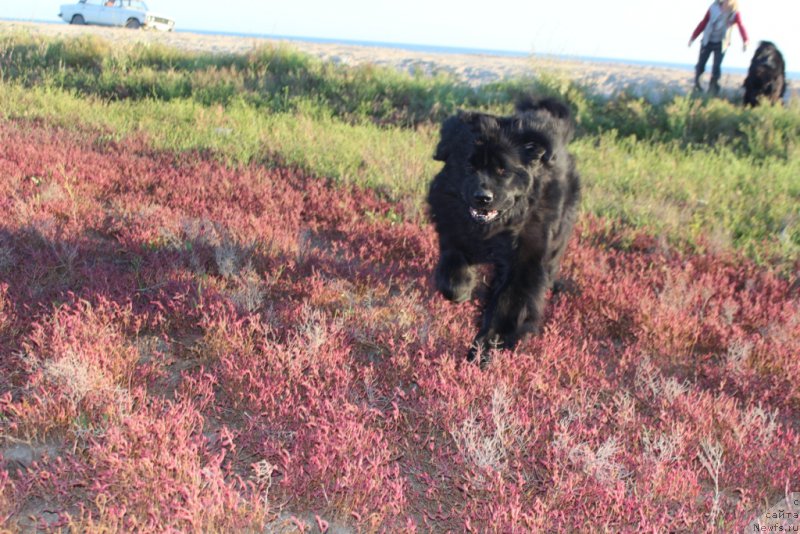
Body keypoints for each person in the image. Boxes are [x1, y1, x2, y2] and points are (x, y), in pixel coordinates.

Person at [688, 0, 749, 95]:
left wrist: (745, 40)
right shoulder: (713, 8)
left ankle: (713, 91)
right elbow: (704, 22)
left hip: (721, 43)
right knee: (700, 65)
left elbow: (741, 26)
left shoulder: (734, 13)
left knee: (716, 67)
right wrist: (693, 37)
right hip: (707, 41)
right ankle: (698, 88)